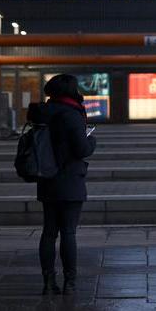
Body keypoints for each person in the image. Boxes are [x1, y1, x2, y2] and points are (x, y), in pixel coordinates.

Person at [35, 74, 96, 296]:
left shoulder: (43, 112)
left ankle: (48, 280)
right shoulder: (72, 114)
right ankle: (70, 281)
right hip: (69, 179)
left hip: (46, 178)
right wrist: (91, 141)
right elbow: (81, 149)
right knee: (68, 232)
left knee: (49, 232)